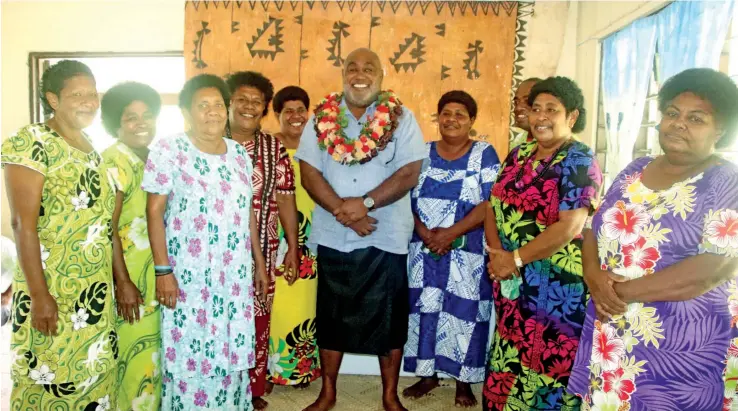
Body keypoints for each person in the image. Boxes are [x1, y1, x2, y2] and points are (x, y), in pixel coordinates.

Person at [568, 68, 738, 410]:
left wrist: (616, 292)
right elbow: (591, 227)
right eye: (673, 113)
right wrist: (593, 279)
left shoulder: (726, 182)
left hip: (682, 342)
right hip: (613, 327)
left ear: (719, 129)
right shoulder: (635, 169)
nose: (679, 123)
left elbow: (712, 268)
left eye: (697, 118)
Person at [296, 47, 426, 411]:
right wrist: (343, 209)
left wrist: (364, 204)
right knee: (331, 315)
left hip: (384, 233)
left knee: (389, 316)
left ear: (381, 75)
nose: (359, 74)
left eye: (369, 67)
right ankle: (329, 393)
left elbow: (408, 173)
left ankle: (389, 395)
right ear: (342, 73)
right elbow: (309, 171)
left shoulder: (402, 118)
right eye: (352, 67)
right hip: (333, 232)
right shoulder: (321, 116)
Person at [143, 73, 269, 410]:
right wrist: (162, 271)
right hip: (189, 277)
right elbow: (154, 212)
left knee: (229, 354)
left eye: (218, 104)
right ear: (186, 112)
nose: (212, 112)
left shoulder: (239, 154)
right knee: (190, 356)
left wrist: (259, 264)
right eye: (203, 105)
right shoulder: (169, 149)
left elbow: (247, 213)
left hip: (234, 276)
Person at [2, 60, 119, 409]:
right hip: (53, 284)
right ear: (53, 99)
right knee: (49, 374)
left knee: (93, 373)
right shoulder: (31, 141)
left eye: (93, 93)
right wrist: (39, 296)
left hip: (93, 286)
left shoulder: (91, 146)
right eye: (77, 94)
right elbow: (22, 224)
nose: (89, 101)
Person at [483, 76, 603, 410]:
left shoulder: (580, 160)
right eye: (536, 108)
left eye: (552, 109)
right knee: (508, 353)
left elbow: (569, 227)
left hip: (557, 290)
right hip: (511, 280)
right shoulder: (518, 153)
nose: (541, 116)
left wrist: (514, 259)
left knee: (547, 364)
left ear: (572, 117)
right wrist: (498, 257)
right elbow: (492, 206)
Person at [401, 90, 500, 408]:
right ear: (438, 117)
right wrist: (426, 233)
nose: (452, 119)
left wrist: (450, 234)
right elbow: (406, 197)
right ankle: (428, 375)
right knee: (425, 311)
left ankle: (463, 381)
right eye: (446, 112)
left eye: (460, 114)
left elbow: (488, 203)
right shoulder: (422, 152)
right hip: (425, 249)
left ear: (471, 120)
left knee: (466, 315)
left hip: (466, 252)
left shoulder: (484, 154)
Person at [225, 71, 299, 410]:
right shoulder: (208, 141)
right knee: (218, 317)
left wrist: (293, 250)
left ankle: (251, 390)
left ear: (265, 108)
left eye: (256, 102)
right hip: (210, 251)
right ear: (229, 102)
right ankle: (219, 386)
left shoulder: (274, 148)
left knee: (256, 318)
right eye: (242, 99)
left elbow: (286, 198)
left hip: (263, 251)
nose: (248, 106)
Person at [101, 81, 163, 410]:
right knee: (132, 358)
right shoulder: (113, 161)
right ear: (116, 123)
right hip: (129, 278)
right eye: (131, 118)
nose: (141, 123)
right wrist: (122, 282)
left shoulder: (155, 157)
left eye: (147, 115)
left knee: (153, 359)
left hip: (156, 274)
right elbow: (106, 228)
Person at [268, 85, 321, 389]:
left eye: (301, 110)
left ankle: (299, 371)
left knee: (304, 303)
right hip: (274, 237)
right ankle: (269, 371)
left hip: (310, 236)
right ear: (277, 115)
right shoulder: (267, 147)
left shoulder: (318, 149)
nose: (296, 116)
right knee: (273, 301)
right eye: (288, 110)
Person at [509, 77, 542, 150]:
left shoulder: (556, 144)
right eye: (516, 102)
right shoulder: (519, 140)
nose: (518, 108)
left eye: (527, 101)